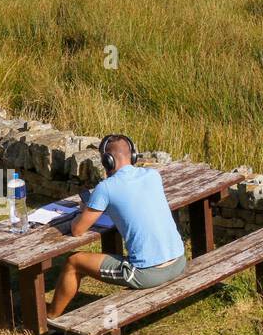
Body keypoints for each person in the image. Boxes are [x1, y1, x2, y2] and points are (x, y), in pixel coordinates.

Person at [48, 134, 186, 318]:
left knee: (73, 262)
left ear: (108, 161)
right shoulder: (152, 176)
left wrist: (84, 211)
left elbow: (77, 230)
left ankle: (49, 318)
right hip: (179, 260)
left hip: (148, 273)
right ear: (133, 156)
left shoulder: (106, 188)